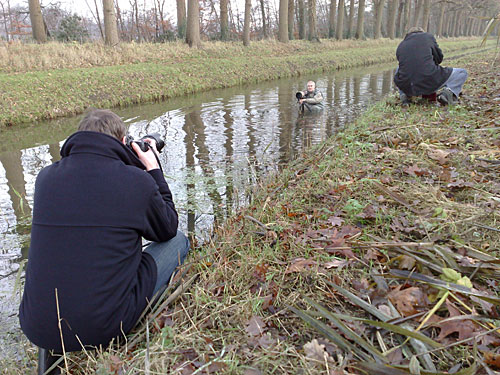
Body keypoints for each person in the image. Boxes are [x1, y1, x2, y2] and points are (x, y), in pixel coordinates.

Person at [19, 109, 190, 354]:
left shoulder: (45, 178)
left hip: (37, 327)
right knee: (179, 242)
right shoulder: (135, 182)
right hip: (103, 328)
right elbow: (167, 228)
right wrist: (153, 171)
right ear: (123, 142)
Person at [394, 27, 468, 106]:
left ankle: (405, 96)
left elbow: (404, 65)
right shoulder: (428, 37)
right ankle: (447, 93)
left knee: (399, 69)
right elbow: (439, 58)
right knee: (462, 72)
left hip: (407, 85)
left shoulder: (401, 45)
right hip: (429, 80)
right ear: (422, 32)